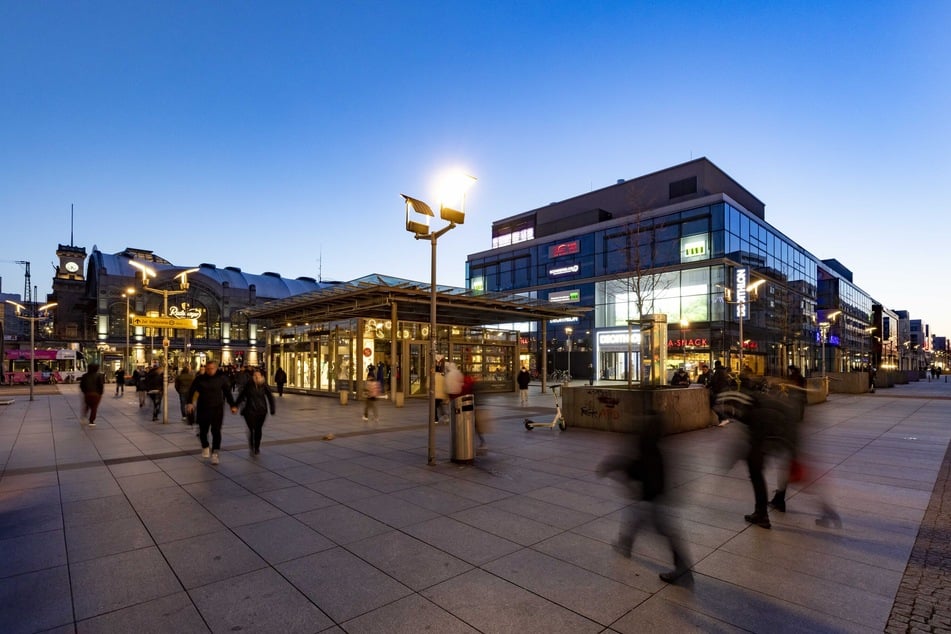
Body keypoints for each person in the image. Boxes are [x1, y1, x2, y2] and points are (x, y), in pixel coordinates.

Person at [597, 409, 692, 584]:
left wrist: (614, 466)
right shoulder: (652, 443)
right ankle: (625, 544)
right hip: (651, 493)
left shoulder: (648, 445)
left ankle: (682, 567)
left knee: (660, 526)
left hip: (652, 494)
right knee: (636, 517)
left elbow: (637, 467)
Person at [186, 360, 236, 465]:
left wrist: (232, 405)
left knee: (216, 431)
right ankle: (205, 446)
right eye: (208, 369)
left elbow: (227, 392)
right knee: (203, 431)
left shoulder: (221, 379)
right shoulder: (199, 379)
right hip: (203, 408)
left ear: (216, 368)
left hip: (217, 409)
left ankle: (215, 453)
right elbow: (192, 390)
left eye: (212, 368)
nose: (210, 370)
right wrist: (190, 402)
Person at [232, 368, 275, 456]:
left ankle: (257, 447)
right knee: (252, 429)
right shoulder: (249, 385)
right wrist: (235, 405)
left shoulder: (264, 385)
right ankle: (252, 445)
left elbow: (270, 397)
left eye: (258, 375)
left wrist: (272, 408)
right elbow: (241, 396)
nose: (256, 377)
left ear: (262, 376)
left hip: (261, 411)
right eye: (255, 375)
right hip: (249, 410)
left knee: (258, 429)